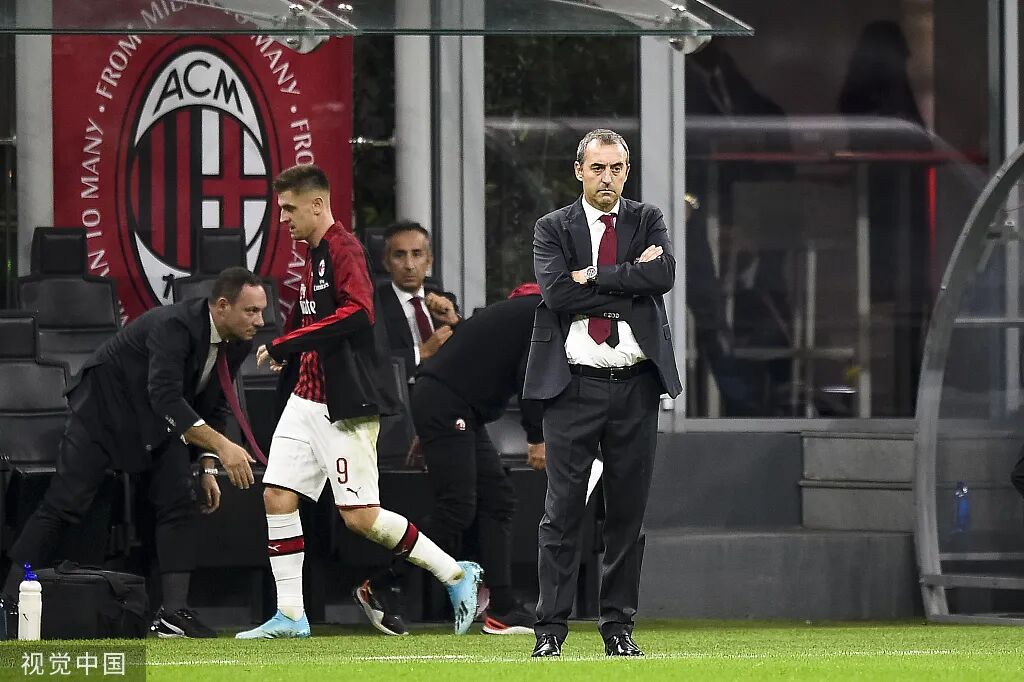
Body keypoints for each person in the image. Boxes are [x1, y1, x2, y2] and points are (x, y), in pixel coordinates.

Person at [236, 164, 481, 640]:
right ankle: (291, 615)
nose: (282, 218)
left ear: (316, 205)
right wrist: (290, 347)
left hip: (344, 405)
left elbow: (358, 312)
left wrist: (288, 343)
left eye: (288, 209)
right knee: (277, 495)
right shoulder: (313, 254)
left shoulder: (343, 248)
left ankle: (455, 574)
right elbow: (311, 315)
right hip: (307, 399)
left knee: (360, 518)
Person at [4, 266, 266, 638]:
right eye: (251, 311)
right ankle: (9, 598)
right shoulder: (174, 326)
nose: (260, 321)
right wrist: (224, 447)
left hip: (158, 422)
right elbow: (166, 397)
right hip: (104, 414)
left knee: (178, 502)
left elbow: (216, 401)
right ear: (222, 306)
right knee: (64, 504)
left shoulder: (237, 340)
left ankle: (173, 613)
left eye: (262, 311)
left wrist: (208, 466)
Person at [524, 129, 682, 658]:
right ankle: (550, 631)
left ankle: (618, 629)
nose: (607, 178)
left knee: (626, 516)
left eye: (616, 168)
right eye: (598, 168)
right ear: (579, 171)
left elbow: (663, 275)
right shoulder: (553, 227)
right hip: (573, 386)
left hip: (636, 385)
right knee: (562, 513)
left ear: (626, 172)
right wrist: (627, 283)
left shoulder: (648, 219)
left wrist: (593, 275)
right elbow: (556, 293)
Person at [356, 283, 546, 637]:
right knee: (457, 506)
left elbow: (473, 359)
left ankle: (502, 607)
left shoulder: (531, 309)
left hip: (454, 406)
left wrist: (431, 423)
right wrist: (536, 436)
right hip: (449, 404)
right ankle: (381, 584)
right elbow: (530, 379)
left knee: (498, 499)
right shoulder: (546, 315)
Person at [374, 220, 458, 381]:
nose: (409, 265)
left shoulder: (445, 301)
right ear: (386, 263)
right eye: (399, 255)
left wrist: (455, 321)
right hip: (403, 392)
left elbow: (471, 351)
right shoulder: (373, 306)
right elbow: (372, 362)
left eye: (417, 254)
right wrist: (422, 352)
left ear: (429, 261)